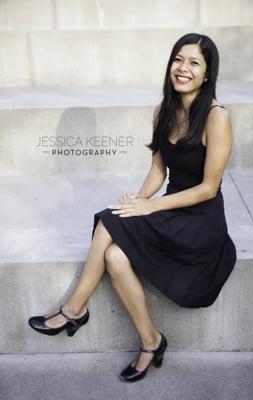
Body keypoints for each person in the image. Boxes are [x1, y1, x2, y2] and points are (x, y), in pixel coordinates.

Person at [28, 32, 237, 383]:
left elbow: (208, 188)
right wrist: (139, 200)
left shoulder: (217, 117)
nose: (183, 68)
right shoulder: (162, 112)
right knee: (114, 255)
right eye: (178, 59)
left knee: (108, 222)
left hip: (202, 223)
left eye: (194, 63)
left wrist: (149, 208)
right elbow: (158, 170)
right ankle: (151, 341)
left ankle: (74, 309)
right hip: (173, 212)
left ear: (207, 74)